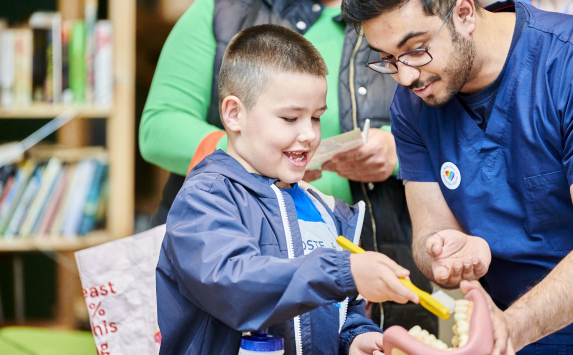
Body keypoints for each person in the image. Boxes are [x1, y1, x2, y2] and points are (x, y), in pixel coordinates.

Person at [140, 0, 437, 333]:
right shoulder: (207, 199)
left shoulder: (328, 213)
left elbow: (335, 312)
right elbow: (238, 285)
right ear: (234, 114)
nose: (309, 135)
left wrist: (355, 338)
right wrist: (260, 162)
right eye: (289, 118)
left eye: (317, 118)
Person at [341, 0, 573, 354]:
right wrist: (443, 251)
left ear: (464, 13)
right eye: (387, 59)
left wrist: (513, 328)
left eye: (416, 50)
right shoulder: (412, 106)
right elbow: (428, 233)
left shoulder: (564, 64)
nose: (405, 77)